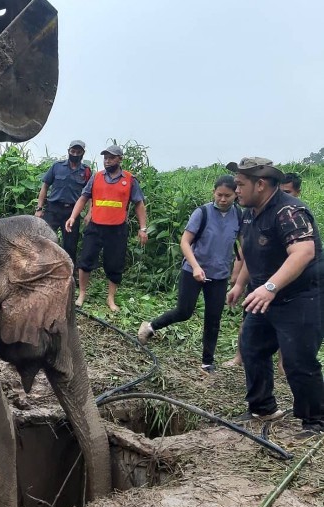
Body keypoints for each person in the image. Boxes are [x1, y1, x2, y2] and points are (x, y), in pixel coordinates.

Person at [225, 157, 324, 435]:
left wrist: (269, 287)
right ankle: (263, 407)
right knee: (252, 346)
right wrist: (239, 284)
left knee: (298, 360)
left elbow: (303, 253)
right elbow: (251, 252)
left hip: (300, 297)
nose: (236, 189)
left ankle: (315, 420)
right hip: (265, 294)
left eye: (241, 184)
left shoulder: (289, 211)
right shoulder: (250, 212)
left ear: (260, 184)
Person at [137, 176, 241, 374]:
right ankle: (150, 326)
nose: (223, 199)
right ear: (214, 193)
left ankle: (207, 361)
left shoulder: (239, 215)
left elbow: (242, 246)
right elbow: (185, 242)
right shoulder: (202, 213)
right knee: (184, 311)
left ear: (236, 195)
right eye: (219, 195)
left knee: (213, 318)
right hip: (192, 270)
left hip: (219, 275)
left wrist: (237, 272)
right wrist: (195, 267)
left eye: (228, 196)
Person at [65, 145, 148, 311]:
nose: (107, 161)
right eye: (105, 158)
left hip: (117, 229)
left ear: (120, 159)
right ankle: (82, 293)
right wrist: (73, 217)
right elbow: (83, 198)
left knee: (115, 264)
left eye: (111, 158)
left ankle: (110, 298)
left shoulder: (130, 180)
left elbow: (139, 203)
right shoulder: (96, 177)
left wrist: (143, 228)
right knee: (86, 259)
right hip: (95, 226)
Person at [35, 140, 92, 265]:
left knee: (70, 245)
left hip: (72, 213)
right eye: (73, 151)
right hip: (53, 209)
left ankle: (69, 274)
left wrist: (89, 213)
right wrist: (39, 208)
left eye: (78, 152)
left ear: (83, 153)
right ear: (68, 151)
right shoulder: (57, 166)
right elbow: (44, 187)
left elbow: (89, 195)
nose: (75, 154)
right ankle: (41, 268)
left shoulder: (86, 171)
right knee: (45, 240)